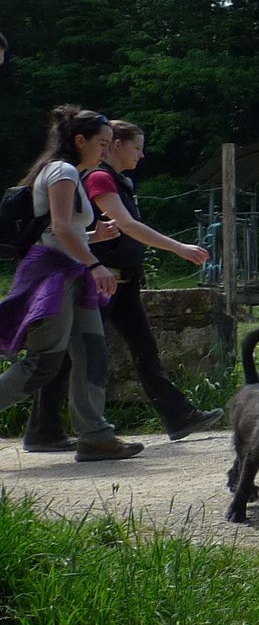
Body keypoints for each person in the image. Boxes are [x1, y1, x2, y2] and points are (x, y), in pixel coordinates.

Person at [24, 119, 222, 451]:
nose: (141, 155)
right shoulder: (99, 177)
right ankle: (45, 430)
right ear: (116, 145)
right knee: (74, 356)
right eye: (136, 147)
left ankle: (179, 416)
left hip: (123, 281)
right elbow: (128, 225)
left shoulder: (119, 180)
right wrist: (179, 247)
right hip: (103, 280)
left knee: (141, 348)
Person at [0, 107, 142, 461]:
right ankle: (94, 435)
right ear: (80, 141)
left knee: (92, 352)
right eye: (103, 143)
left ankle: (95, 436)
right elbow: (61, 228)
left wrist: (93, 236)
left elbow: (62, 230)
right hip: (53, 275)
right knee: (43, 363)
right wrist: (95, 264)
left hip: (71, 273)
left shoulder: (73, 172)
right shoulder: (62, 171)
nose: (107, 151)